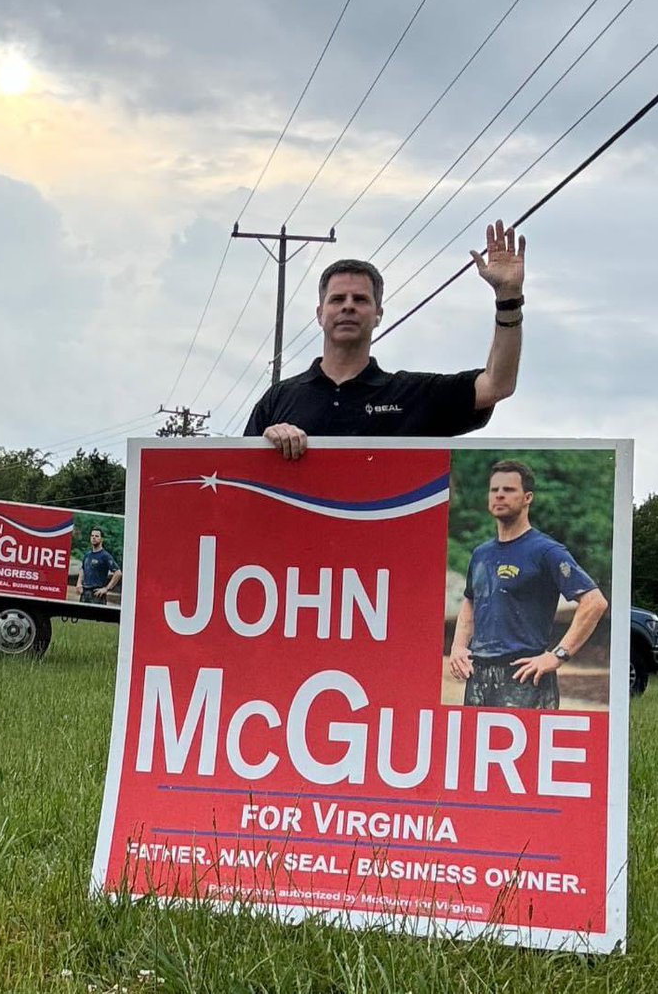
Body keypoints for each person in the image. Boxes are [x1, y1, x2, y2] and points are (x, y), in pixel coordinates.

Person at [245, 220, 525, 454]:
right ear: (320, 314)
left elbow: (496, 385)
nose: (348, 306)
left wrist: (508, 297)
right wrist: (266, 446)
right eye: (338, 299)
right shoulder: (279, 400)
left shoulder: (413, 395)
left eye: (361, 299)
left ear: (378, 314)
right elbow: (237, 480)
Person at [449, 460, 609, 709]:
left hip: (523, 676)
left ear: (527, 497)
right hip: (478, 676)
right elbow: (471, 601)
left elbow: (595, 602)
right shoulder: (481, 554)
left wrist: (558, 655)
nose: (500, 494)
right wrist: (458, 646)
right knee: (472, 748)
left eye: (509, 489)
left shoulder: (546, 551)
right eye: (494, 490)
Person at [76, 526, 121, 604]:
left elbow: (118, 573)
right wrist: (79, 583)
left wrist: (106, 589)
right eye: (92, 536)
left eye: (97, 536)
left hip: (97, 594)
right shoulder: (87, 555)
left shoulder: (105, 556)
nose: (94, 538)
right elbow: (82, 569)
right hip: (85, 593)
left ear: (102, 539)